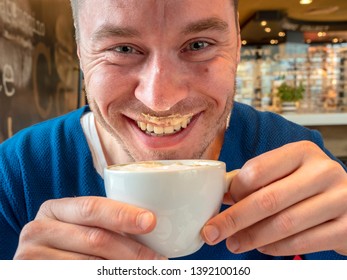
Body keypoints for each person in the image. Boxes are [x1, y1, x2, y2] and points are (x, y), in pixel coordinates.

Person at [1, 0, 347, 260]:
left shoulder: (293, 155)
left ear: (237, 46)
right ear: (80, 54)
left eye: (198, 45)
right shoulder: (18, 176)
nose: (160, 99)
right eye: (123, 49)